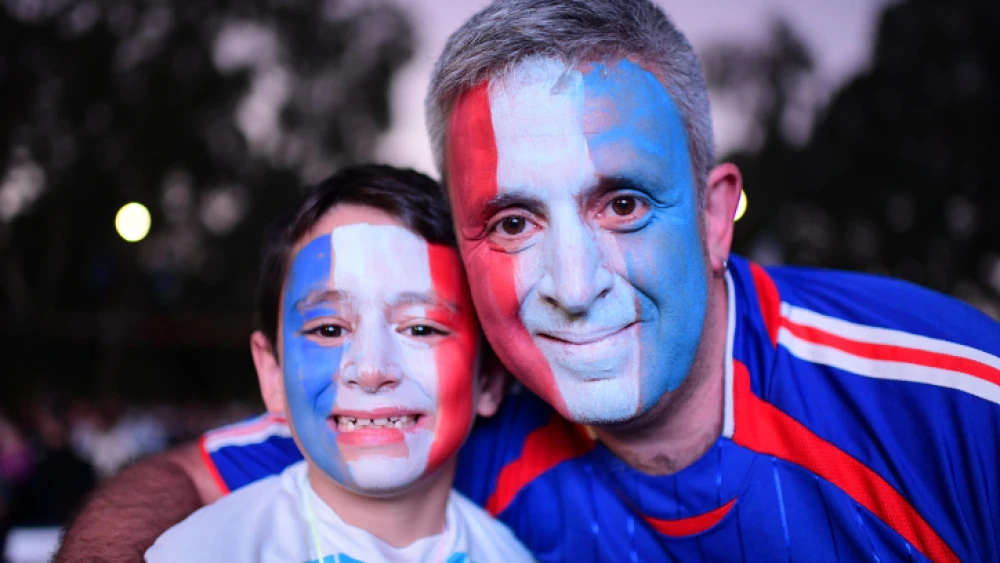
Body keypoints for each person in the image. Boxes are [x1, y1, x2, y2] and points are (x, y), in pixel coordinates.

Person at [57, 1, 1000, 561]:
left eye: (622, 204)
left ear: (716, 215)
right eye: (512, 222)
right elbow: (179, 477)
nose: (574, 283)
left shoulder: (947, 401)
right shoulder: (458, 418)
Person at [143, 165, 530, 562]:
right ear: (272, 373)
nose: (371, 370)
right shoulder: (201, 552)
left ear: (487, 379)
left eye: (420, 329)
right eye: (328, 330)